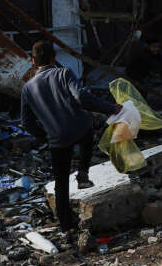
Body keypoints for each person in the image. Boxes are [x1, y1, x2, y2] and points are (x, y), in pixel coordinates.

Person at [20, 41, 119, 235]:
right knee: (89, 124)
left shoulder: (27, 88)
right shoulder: (64, 73)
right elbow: (82, 97)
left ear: (33, 61)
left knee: (61, 182)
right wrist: (110, 108)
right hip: (79, 128)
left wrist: (45, 136)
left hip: (57, 139)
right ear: (54, 58)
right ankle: (83, 173)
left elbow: (27, 124)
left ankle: (66, 226)